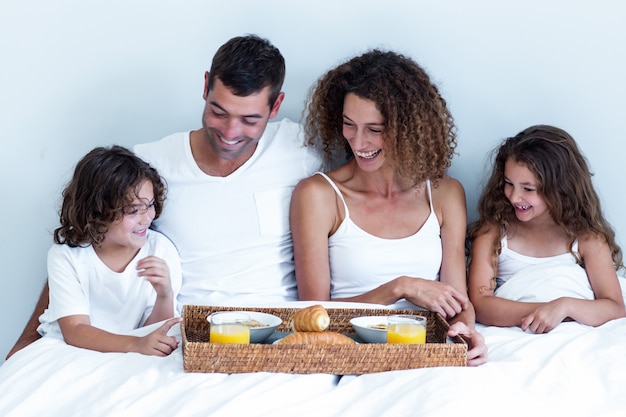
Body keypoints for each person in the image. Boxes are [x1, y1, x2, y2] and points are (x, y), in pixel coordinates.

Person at [6, 34, 321, 359]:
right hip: (188, 337)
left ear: (276, 105)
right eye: (218, 112)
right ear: (205, 87)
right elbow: (88, 242)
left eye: (249, 119)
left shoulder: (301, 147)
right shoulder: (151, 165)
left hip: (277, 334)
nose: (229, 133)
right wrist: (26, 342)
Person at [290, 50, 487, 366]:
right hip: (349, 354)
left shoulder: (445, 194)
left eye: (375, 129)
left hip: (424, 353)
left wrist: (465, 328)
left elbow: (457, 302)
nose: (358, 142)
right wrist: (399, 288)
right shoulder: (317, 195)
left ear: (407, 127)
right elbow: (315, 314)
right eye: (348, 124)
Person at [467, 125, 626, 333]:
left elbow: (614, 308)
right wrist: (545, 311)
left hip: (575, 334)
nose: (514, 197)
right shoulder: (495, 232)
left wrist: (564, 306)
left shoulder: (586, 238)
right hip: (518, 333)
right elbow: (480, 306)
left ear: (559, 189)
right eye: (508, 183)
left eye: (528, 189)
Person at [37, 145, 182, 356]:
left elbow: (157, 332)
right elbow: (75, 331)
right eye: (133, 211)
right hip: (69, 350)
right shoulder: (66, 256)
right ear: (97, 211)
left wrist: (164, 294)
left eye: (149, 205)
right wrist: (135, 345)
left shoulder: (161, 250)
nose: (146, 218)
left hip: (134, 351)